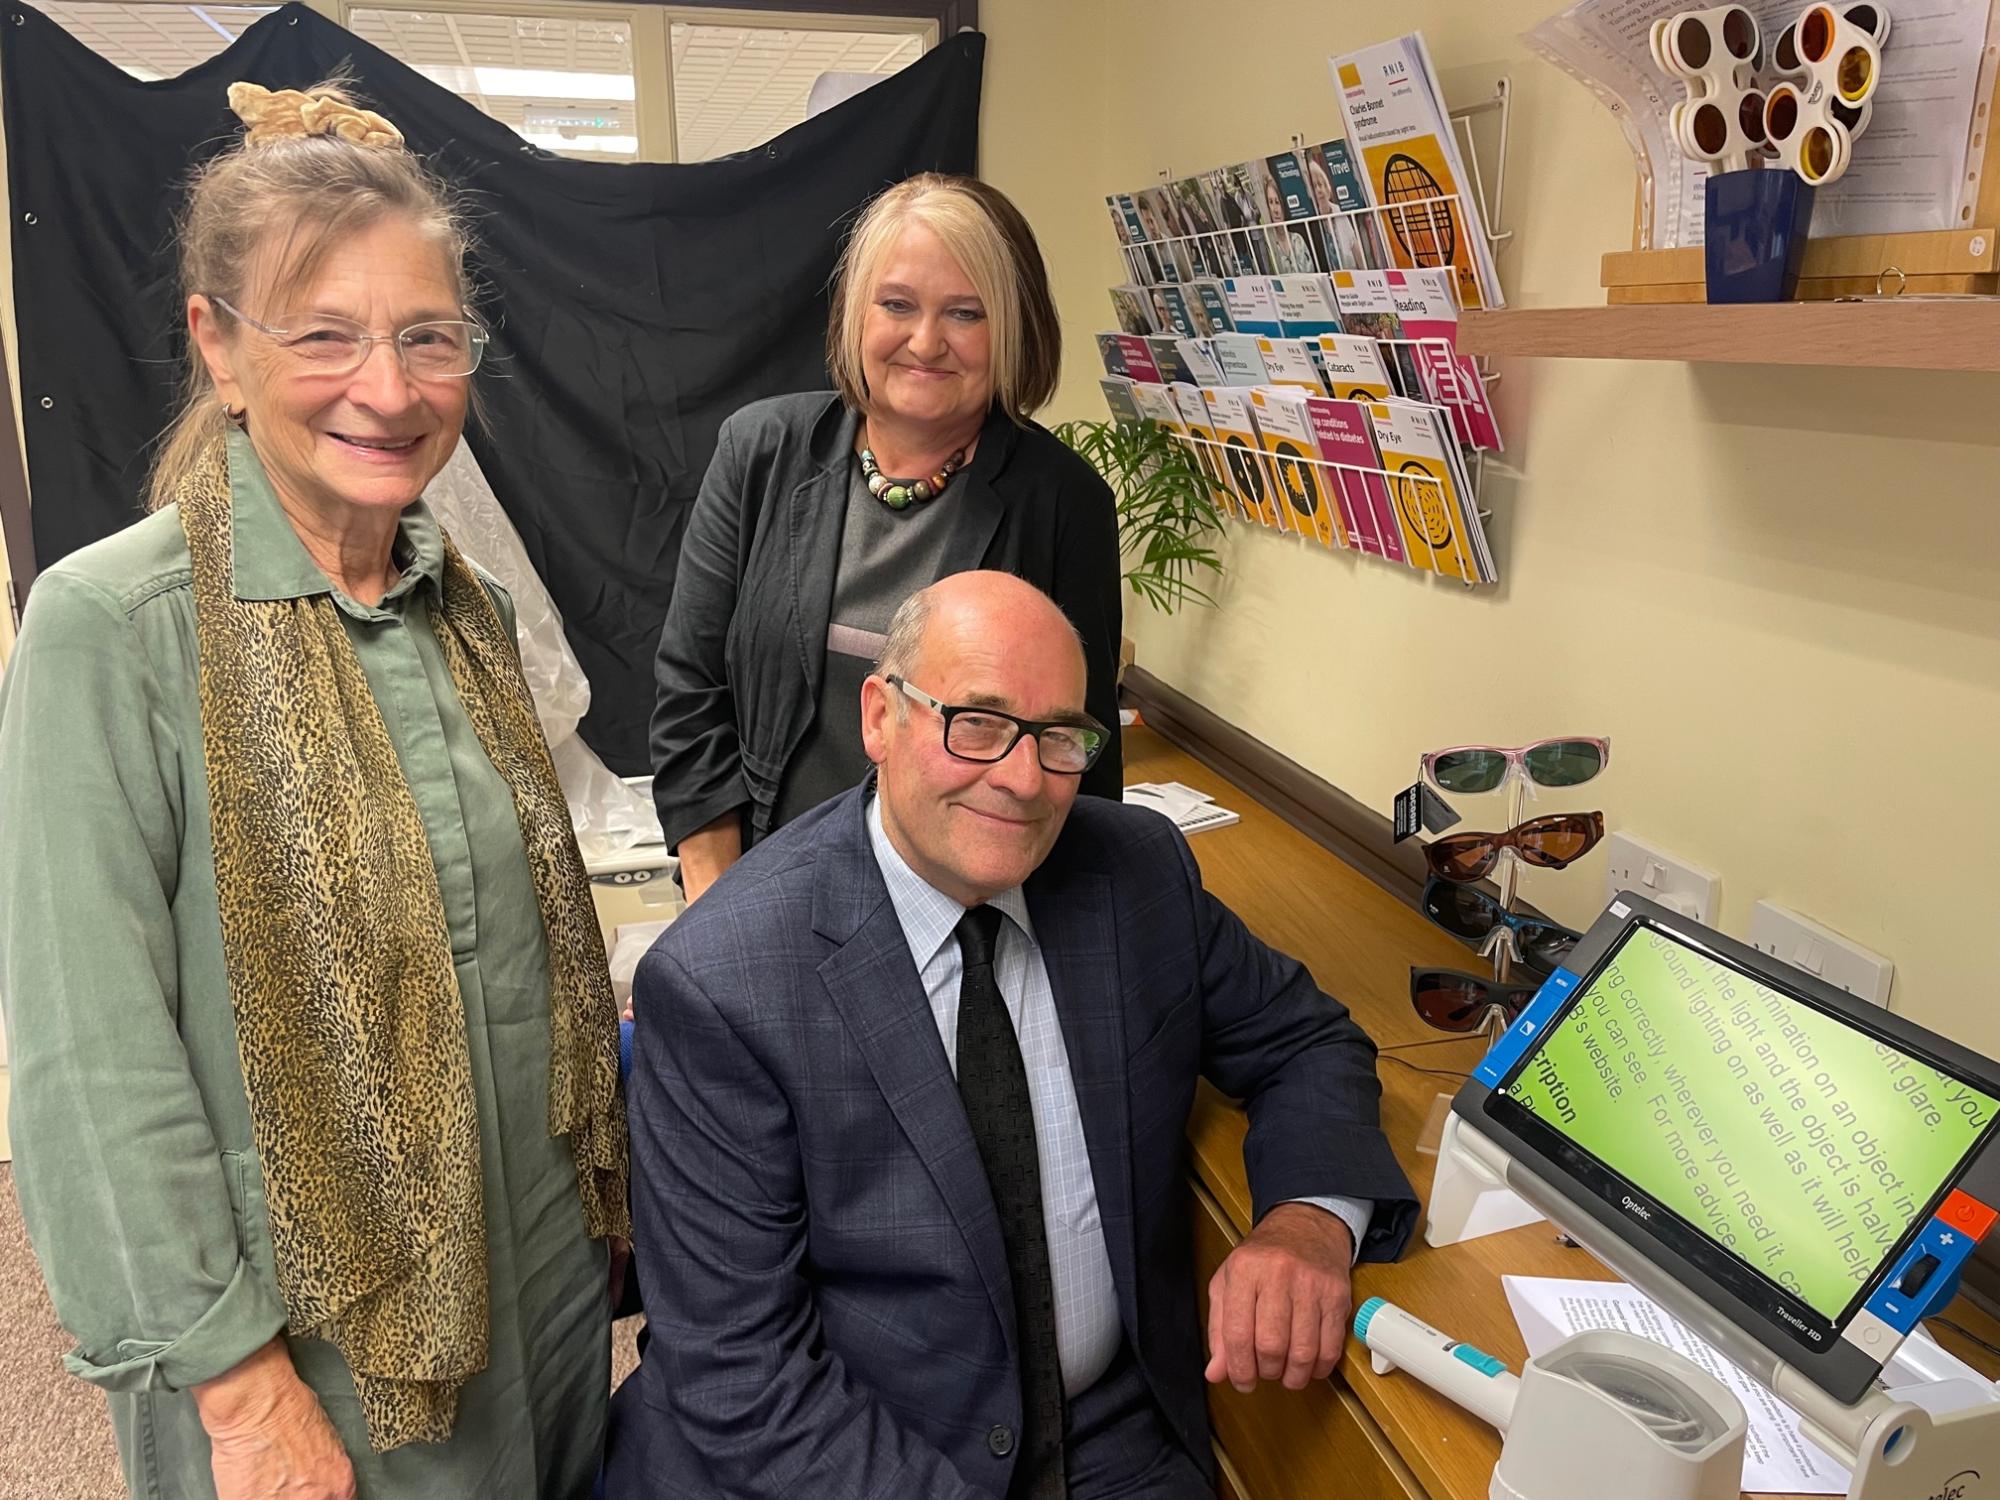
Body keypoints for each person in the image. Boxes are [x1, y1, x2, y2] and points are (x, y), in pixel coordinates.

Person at [0, 80, 628, 1500]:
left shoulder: (454, 600)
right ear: (217, 347)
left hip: (535, 1297)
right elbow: (89, 1075)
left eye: (427, 338)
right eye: (325, 336)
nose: (389, 389)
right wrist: (236, 1395)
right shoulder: (118, 628)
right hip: (314, 1359)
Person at [608, 571, 1417, 1499]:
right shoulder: (723, 979)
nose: (1024, 779)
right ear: (881, 717)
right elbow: (742, 1375)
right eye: (978, 724)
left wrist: (1309, 1223)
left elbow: (1308, 1041)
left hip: (1111, 1441)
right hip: (852, 1456)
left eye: (1059, 737)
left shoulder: (1136, 874)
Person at [649, 173, 1123, 905]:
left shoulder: (1062, 501)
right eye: (897, 305)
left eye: (965, 313)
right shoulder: (759, 452)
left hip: (969, 908)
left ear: (1013, 327)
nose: (925, 342)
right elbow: (691, 694)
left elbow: (1078, 754)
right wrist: (717, 912)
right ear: (854, 316)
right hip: (767, 889)